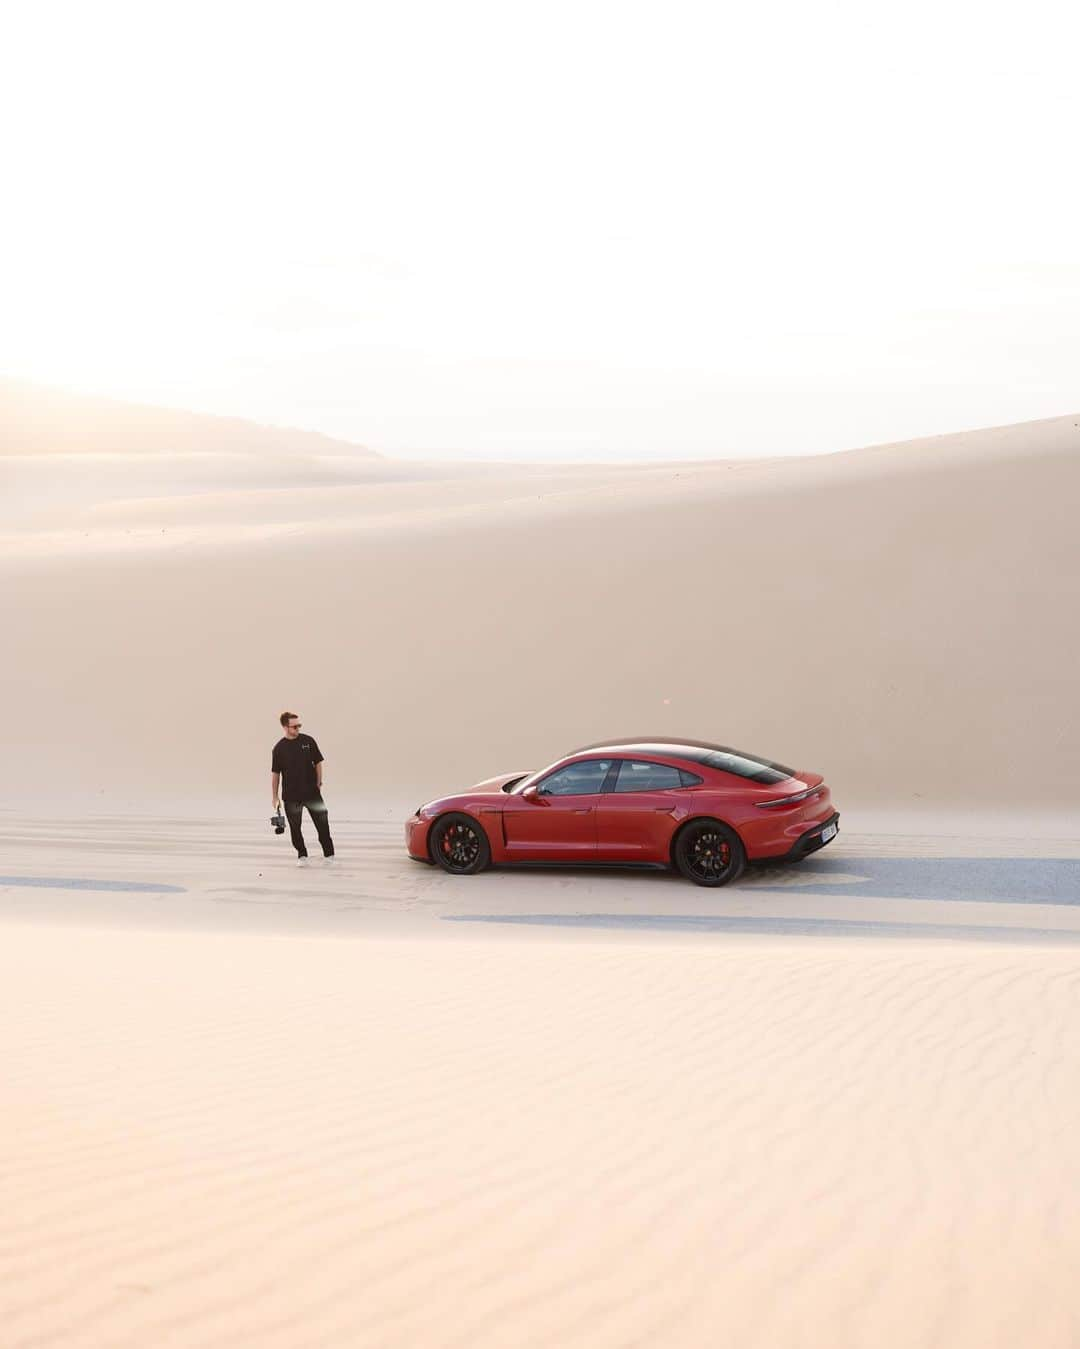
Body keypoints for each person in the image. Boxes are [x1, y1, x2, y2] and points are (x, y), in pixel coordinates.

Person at [271, 712, 335, 866]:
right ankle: (302, 855)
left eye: (299, 725)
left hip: (313, 793)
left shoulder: (308, 741)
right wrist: (274, 797)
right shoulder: (279, 748)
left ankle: (329, 855)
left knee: (323, 824)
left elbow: (318, 762)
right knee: (295, 828)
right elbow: (275, 774)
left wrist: (319, 782)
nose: (298, 728)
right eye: (294, 726)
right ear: (285, 727)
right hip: (291, 797)